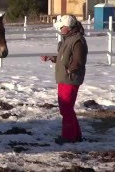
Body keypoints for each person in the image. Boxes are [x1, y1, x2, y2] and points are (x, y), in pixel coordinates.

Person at [41, 15, 88, 145]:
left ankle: (68, 137)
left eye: (62, 27)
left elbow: (78, 60)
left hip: (70, 79)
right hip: (63, 78)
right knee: (67, 108)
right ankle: (76, 135)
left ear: (68, 27)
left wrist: (70, 70)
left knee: (66, 109)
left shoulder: (77, 41)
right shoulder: (68, 39)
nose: (60, 29)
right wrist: (52, 58)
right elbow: (64, 57)